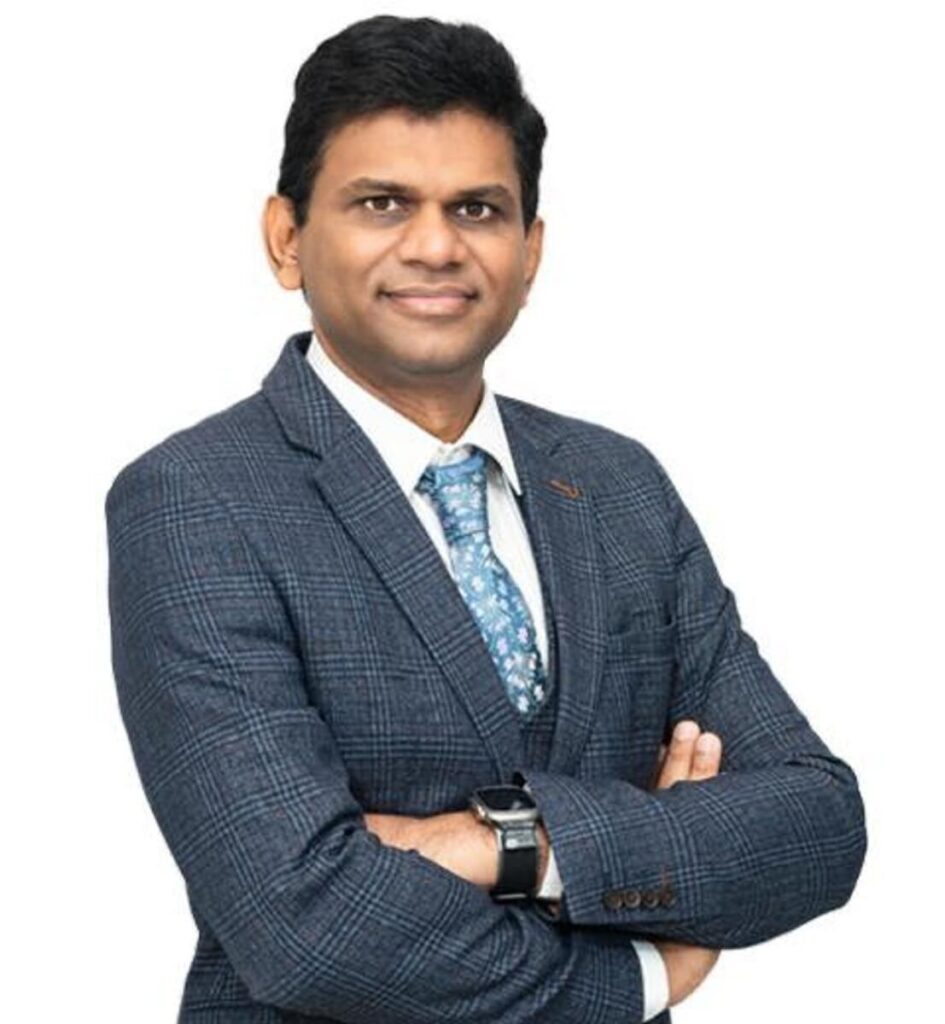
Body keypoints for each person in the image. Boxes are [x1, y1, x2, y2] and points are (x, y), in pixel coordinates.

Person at [104, 14, 867, 1023]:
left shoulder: (618, 485)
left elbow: (818, 823)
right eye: (382, 203)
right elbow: (303, 923)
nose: (435, 246)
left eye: (477, 208)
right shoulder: (196, 500)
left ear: (530, 250)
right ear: (287, 240)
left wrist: (507, 842)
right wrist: (636, 973)